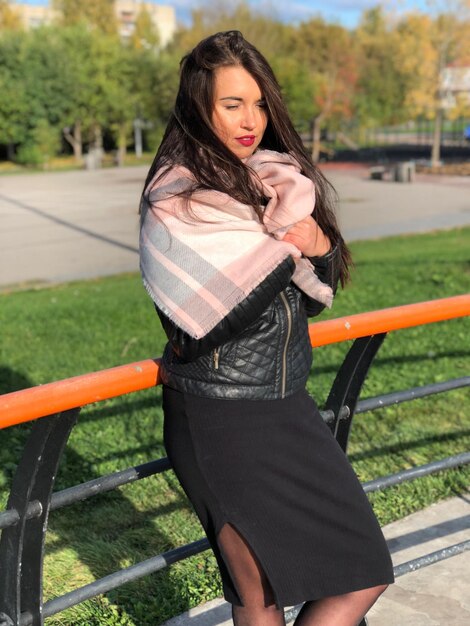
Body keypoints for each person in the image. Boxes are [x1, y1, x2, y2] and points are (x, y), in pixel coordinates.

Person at [139, 30, 393, 626]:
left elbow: (306, 301)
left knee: (364, 573)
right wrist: (280, 251)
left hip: (286, 408)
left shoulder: (267, 182)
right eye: (233, 104)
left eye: (258, 103)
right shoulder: (177, 198)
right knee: (258, 597)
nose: (250, 120)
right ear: (199, 106)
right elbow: (202, 326)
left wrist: (319, 245)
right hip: (219, 417)